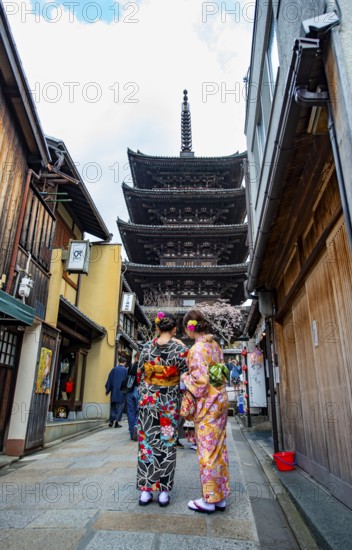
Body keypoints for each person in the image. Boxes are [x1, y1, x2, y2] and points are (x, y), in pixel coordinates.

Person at [136, 311, 188, 507]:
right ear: (174, 330)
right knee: (167, 444)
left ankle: (146, 491)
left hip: (148, 402)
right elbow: (188, 373)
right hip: (168, 404)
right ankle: (164, 492)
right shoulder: (179, 349)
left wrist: (147, 391)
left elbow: (140, 375)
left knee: (147, 443)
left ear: (157, 329)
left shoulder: (147, 347)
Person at [181, 309, 230, 514]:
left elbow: (200, 384)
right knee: (219, 449)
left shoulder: (198, 349)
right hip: (220, 401)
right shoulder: (215, 345)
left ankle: (208, 499)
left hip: (207, 405)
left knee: (207, 452)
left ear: (190, 328)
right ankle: (220, 496)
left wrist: (184, 378)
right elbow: (218, 374)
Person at [105, 356, 128, 428]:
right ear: (124, 363)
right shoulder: (125, 370)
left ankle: (111, 421)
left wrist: (107, 390)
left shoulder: (113, 370)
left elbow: (109, 380)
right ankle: (116, 422)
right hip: (122, 392)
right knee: (119, 407)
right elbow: (127, 382)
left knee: (113, 406)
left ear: (118, 362)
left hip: (114, 391)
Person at [126, 352, 139, 441]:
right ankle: (136, 425)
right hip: (138, 390)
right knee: (139, 410)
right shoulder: (143, 366)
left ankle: (131, 433)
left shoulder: (131, 366)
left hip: (129, 391)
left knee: (130, 412)